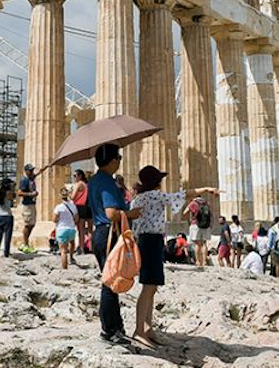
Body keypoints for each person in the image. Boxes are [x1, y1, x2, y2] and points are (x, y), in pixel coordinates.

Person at [129, 164, 217, 348]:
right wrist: (206, 189)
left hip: (145, 241)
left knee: (151, 287)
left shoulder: (138, 199)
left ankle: (147, 326)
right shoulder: (155, 195)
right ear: (156, 181)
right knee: (148, 288)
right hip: (151, 241)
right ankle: (139, 330)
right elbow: (184, 194)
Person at [87, 143, 135, 344]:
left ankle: (116, 326)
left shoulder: (95, 181)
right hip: (109, 234)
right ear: (113, 160)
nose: (120, 163)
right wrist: (132, 213)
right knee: (110, 283)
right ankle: (109, 330)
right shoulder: (106, 182)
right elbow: (111, 213)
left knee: (113, 281)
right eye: (119, 159)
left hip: (100, 233)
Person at [17, 163, 51, 253]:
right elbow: (19, 192)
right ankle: (25, 244)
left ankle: (24, 242)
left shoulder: (31, 178)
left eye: (32, 170)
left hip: (32, 204)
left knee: (32, 224)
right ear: (26, 171)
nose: (32, 172)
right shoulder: (24, 180)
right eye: (30, 170)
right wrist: (31, 194)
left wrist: (47, 166)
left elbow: (39, 172)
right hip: (27, 205)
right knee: (27, 225)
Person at [53, 187, 79, 269]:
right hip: (71, 228)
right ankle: (71, 257)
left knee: (63, 251)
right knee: (72, 242)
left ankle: (64, 268)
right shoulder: (73, 206)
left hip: (61, 229)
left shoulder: (58, 207)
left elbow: (54, 219)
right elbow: (76, 218)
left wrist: (59, 219)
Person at [183, 194, 212, 267]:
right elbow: (210, 215)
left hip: (196, 224)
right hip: (206, 225)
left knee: (197, 244)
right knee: (204, 243)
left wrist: (190, 220)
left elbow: (184, 213)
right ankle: (205, 262)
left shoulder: (193, 203)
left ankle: (198, 262)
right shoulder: (206, 203)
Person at [71, 169, 91, 254]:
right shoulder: (87, 184)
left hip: (80, 207)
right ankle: (91, 247)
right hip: (88, 206)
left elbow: (73, 197)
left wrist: (69, 194)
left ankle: (81, 248)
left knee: (81, 229)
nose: (74, 178)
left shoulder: (79, 184)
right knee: (90, 230)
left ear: (80, 176)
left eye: (75, 176)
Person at [0, 179, 14, 258]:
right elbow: (12, 199)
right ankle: (6, 253)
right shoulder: (8, 193)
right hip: (7, 216)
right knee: (7, 237)